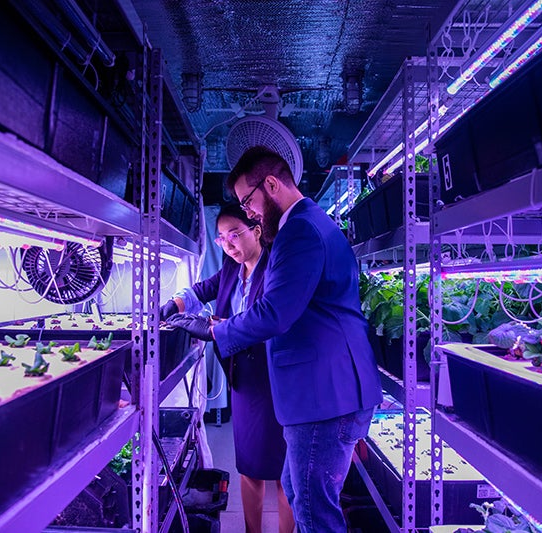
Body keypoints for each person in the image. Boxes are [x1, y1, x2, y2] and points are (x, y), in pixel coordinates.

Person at [167, 146, 383, 532]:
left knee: (314, 511)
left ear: (271, 185)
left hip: (325, 395)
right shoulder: (306, 223)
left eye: (248, 202)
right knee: (298, 491)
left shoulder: (298, 230)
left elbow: (274, 313)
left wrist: (215, 329)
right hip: (325, 390)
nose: (247, 213)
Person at [160, 203, 294, 533]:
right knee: (248, 466)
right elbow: (200, 290)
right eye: (221, 238)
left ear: (257, 231)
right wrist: (171, 306)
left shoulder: (276, 266)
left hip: (274, 377)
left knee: (283, 470)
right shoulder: (231, 269)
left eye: (234, 234)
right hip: (243, 378)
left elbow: (266, 316)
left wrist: (217, 325)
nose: (228, 244)